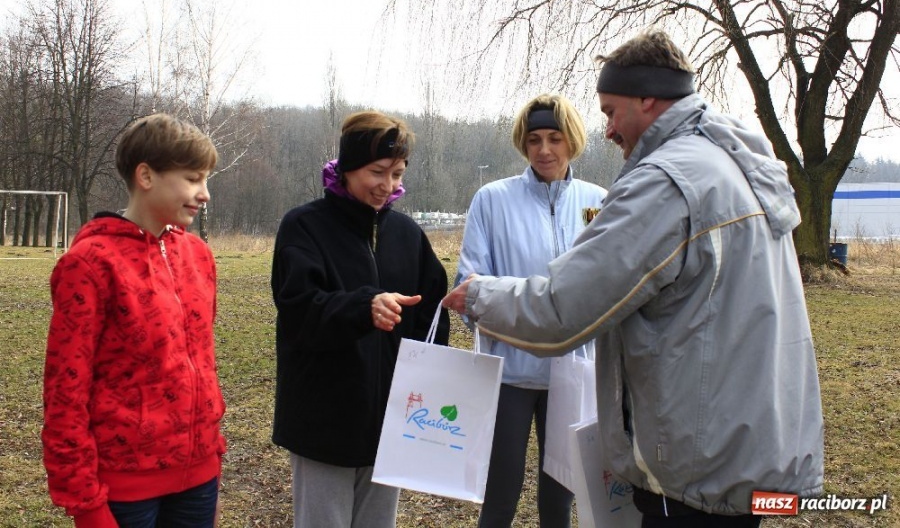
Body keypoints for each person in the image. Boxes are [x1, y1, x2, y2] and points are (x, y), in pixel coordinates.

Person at [444, 29, 825, 527]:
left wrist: (477, 296)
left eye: (609, 111)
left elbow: (562, 309)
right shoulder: (733, 161)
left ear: (647, 99)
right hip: (747, 436)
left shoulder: (664, 183)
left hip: (696, 453)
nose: (607, 129)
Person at [42, 113, 226, 527]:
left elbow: (202, 365)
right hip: (124, 490)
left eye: (206, 180)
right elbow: (65, 390)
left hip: (197, 479)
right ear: (146, 176)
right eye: (193, 179)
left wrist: (211, 460)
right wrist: (85, 503)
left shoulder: (198, 256)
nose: (205, 194)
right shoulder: (90, 264)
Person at [271, 110, 450, 528]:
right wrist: (363, 307)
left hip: (390, 422)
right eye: (377, 171)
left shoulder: (407, 235)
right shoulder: (304, 226)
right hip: (324, 422)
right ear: (348, 168)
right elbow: (299, 308)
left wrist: (448, 310)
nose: (387, 186)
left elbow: (428, 313)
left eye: (397, 173)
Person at [456, 93, 606, 527]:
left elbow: (610, 286)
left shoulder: (599, 201)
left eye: (555, 139)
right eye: (535, 139)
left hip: (575, 374)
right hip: (510, 374)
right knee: (500, 496)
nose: (544, 150)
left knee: (560, 501)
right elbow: (469, 286)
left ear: (572, 141)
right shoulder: (492, 199)